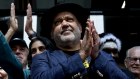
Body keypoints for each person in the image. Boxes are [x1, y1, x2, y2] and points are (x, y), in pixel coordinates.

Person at [31, 3, 130, 79]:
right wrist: (80, 56)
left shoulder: (102, 56)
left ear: (81, 28)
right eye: (58, 22)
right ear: (52, 34)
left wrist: (96, 55)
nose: (64, 24)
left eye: (70, 20)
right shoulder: (42, 58)